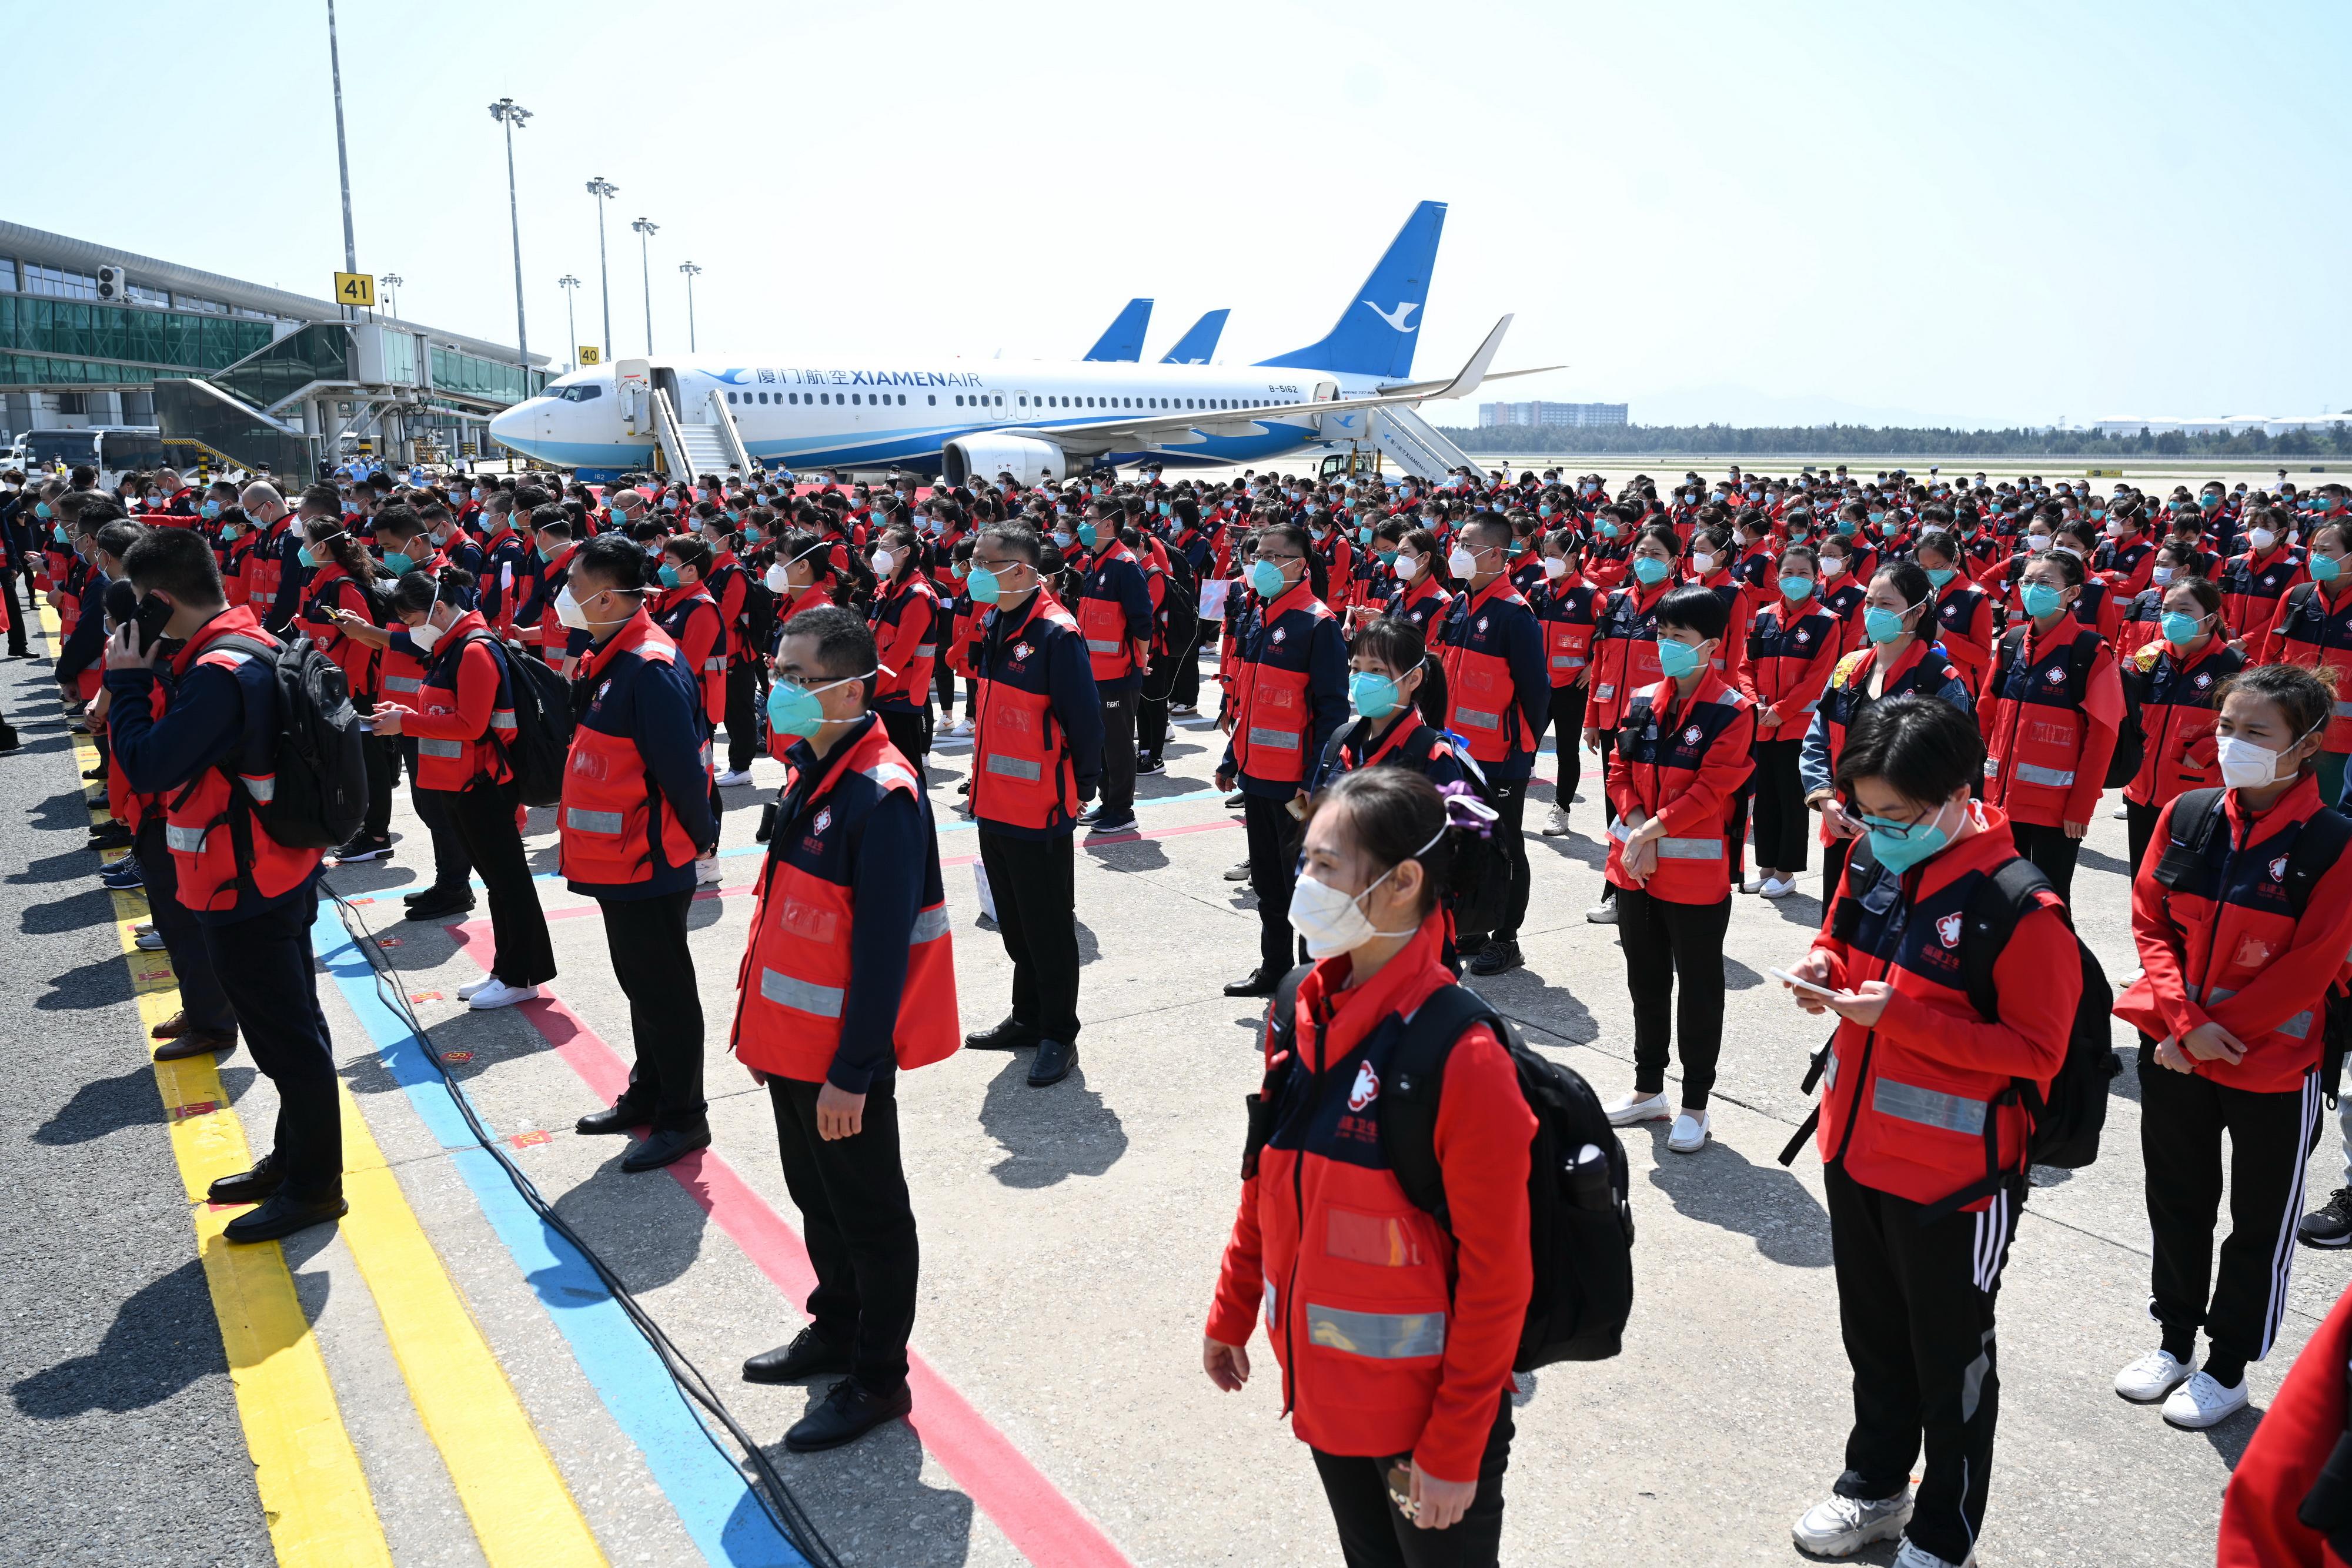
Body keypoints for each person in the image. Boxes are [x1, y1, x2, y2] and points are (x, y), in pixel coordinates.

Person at [1203, 766, 1532, 1568]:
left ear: (1403, 882)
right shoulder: (1299, 1005)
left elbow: (1498, 1278)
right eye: (1304, 859)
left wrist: (1455, 1446)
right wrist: (1233, 1304)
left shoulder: (1461, 1053)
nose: (1302, 882)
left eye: (1325, 866)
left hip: (1427, 1420)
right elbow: (1266, 1177)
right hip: (1326, 1395)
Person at [1781, 696, 2077, 1568]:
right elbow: (1841, 936)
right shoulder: (1873, 854)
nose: (1876, 829)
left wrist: (1897, 1017)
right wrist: (1821, 966)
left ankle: (1944, 1530)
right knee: (1873, 1339)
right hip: (1854, 1146)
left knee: (1951, 1360)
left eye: (1897, 815)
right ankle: (1874, 1484)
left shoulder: (2019, 905)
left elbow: (2036, 1051)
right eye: (1864, 812)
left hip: (1956, 1180)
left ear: (1955, 795)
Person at [734, 606, 957, 1452]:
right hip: (790, 1047)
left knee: (869, 1214)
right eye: (779, 672)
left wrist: (855, 1070)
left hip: (840, 1060)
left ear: (852, 687)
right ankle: (834, 1326)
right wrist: (760, 1032)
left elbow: (881, 955)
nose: (779, 689)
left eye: (798, 678)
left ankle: (877, 1375)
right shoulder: (813, 768)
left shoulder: (881, 793)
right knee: (817, 1199)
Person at [2113, 663, 2351, 1430]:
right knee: (2177, 1199)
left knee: (2257, 1223)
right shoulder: (2185, 813)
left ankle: (2227, 1366)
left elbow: (2314, 965)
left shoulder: (2332, 841)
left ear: (2307, 744)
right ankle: (2174, 1340)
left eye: (2257, 732)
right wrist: (2183, 1025)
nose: (2233, 743)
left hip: (2271, 1066)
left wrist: (2220, 1035)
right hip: (2181, 1050)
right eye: (2226, 726)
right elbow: (2151, 922)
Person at [103, 527, 346, 1242]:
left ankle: (313, 1186)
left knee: (286, 1040)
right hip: (274, 866)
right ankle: (296, 1157)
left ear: (159, 601)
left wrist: (125, 685)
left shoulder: (217, 671)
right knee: (294, 1025)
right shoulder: (247, 639)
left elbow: (149, 766)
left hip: (241, 879)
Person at [559, 535, 723, 1171]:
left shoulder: (648, 666)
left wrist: (700, 839)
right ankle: (648, 1092)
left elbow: (682, 771)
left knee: (664, 992)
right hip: (617, 857)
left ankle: (685, 1117)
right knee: (641, 986)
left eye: (574, 587)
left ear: (605, 597)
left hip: (649, 859)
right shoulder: (612, 655)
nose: (565, 597)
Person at [1600, 585, 1755, 1154]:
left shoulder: (1734, 711)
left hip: (1693, 877)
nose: (1665, 646)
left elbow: (1713, 789)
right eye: (1661, 635)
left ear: (1711, 646)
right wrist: (1637, 825)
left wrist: (1647, 831)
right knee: (1646, 983)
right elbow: (1618, 767)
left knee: (1698, 988)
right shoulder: (1643, 698)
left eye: (1679, 638)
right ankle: (1648, 1090)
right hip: (1636, 872)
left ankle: (1695, 1102)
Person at [368, 567, 557, 1011]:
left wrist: (407, 722)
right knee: (498, 882)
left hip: (483, 785)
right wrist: (405, 710)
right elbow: (445, 705)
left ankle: (521, 974)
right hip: (463, 784)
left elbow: (471, 724)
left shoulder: (473, 650)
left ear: (437, 608)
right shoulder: (452, 645)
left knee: (508, 882)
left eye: (413, 621)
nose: (411, 631)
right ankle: (507, 968)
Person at [961, 522, 1104, 1088]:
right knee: (1016, 925)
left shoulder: (1055, 633)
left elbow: (1085, 720)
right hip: (995, 801)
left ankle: (1058, 1034)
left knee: (1047, 927)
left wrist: (1084, 785)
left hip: (1040, 806)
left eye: (983, 562)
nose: (972, 571)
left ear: (1020, 569)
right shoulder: (998, 618)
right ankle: (1027, 1017)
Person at [1219, 521, 1349, 996]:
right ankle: (1273, 968)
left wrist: (1315, 779)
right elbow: (1251, 699)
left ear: (1299, 563)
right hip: (1256, 776)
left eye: (1275, 556)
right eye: (1259, 554)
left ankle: (1310, 978)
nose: (1263, 563)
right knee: (1270, 887)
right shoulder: (1261, 613)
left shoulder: (1318, 623)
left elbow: (1332, 711)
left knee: (1305, 888)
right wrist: (1233, 757)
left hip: (1295, 783)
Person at [1802, 561, 1973, 902]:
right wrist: (1824, 799)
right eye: (1869, 603)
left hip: (1906, 840)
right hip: (1842, 828)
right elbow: (1818, 736)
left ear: (1917, 611)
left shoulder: (1940, 680)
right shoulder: (1849, 666)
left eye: (1886, 604)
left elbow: (1948, 770)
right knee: (1841, 935)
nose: (1873, 612)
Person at [1435, 514, 1549, 975]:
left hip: (1499, 759)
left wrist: (1520, 752)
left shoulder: (1513, 614)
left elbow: (1535, 695)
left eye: (1469, 544)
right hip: (1458, 753)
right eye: (1458, 541)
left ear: (1499, 555)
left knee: (1504, 846)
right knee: (1468, 841)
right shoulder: (1463, 605)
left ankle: (1508, 937)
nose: (1458, 550)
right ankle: (1475, 926)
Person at [1977, 547, 2122, 902]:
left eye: (2044, 582)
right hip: (2000, 800)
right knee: (2000, 897)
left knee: (2051, 900)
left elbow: (2102, 737)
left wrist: (2081, 806)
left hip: (2056, 811)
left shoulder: (2089, 651)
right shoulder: (2011, 642)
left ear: (2072, 593)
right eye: (2027, 581)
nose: (2031, 589)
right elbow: (1985, 716)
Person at [2119, 575, 2241, 875]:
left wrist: (2203, 752)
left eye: (2184, 611)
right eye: (2166, 609)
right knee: (2143, 876)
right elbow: (2127, 709)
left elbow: (2247, 726)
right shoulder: (2148, 655)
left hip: (2196, 791)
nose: (2172, 618)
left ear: (2211, 619)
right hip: (2142, 787)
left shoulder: (2234, 665)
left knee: (2183, 881)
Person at [1743, 543, 1844, 898]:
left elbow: (1819, 677)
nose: (1795, 579)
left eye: (1803, 573)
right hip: (1762, 722)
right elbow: (1746, 666)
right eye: (1788, 573)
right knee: (1765, 798)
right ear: (1777, 576)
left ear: (1816, 577)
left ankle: (1786, 873)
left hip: (1796, 725)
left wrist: (1781, 711)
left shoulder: (1827, 622)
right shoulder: (1764, 616)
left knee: (1791, 800)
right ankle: (1766, 867)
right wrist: (1755, 703)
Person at [1071, 502, 1154, 837]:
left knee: (1119, 744)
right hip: (1095, 672)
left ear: (1108, 525)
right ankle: (1108, 803)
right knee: (1103, 741)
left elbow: (1142, 621)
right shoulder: (1096, 561)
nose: (1083, 525)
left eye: (1089, 520)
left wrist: (1140, 660)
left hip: (1120, 673)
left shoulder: (1125, 565)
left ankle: (1122, 809)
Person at [2259, 518, 2352, 807]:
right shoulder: (2298, 597)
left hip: (2342, 745)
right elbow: (2270, 659)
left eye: (2326, 550)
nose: (2316, 557)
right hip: (2288, 731)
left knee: (2330, 820)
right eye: (2314, 550)